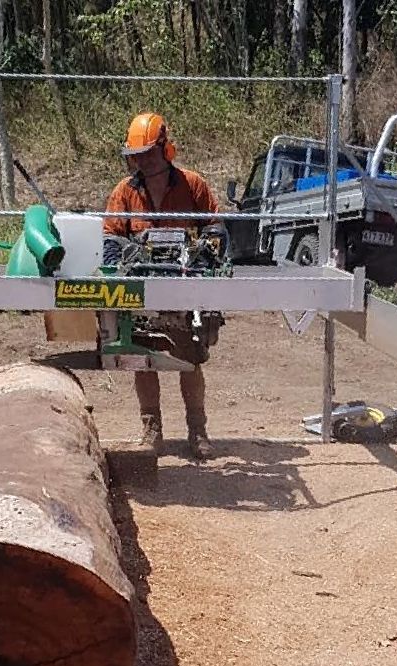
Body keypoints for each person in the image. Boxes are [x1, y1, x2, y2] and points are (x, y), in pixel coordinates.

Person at [102, 112, 223, 460]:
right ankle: (151, 427)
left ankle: (197, 429)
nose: (142, 162)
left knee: (190, 360)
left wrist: (204, 257)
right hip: (140, 290)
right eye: (136, 156)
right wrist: (120, 268)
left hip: (184, 288)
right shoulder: (124, 193)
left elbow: (215, 228)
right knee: (142, 360)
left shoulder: (192, 185)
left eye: (147, 154)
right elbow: (111, 238)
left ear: (164, 149)